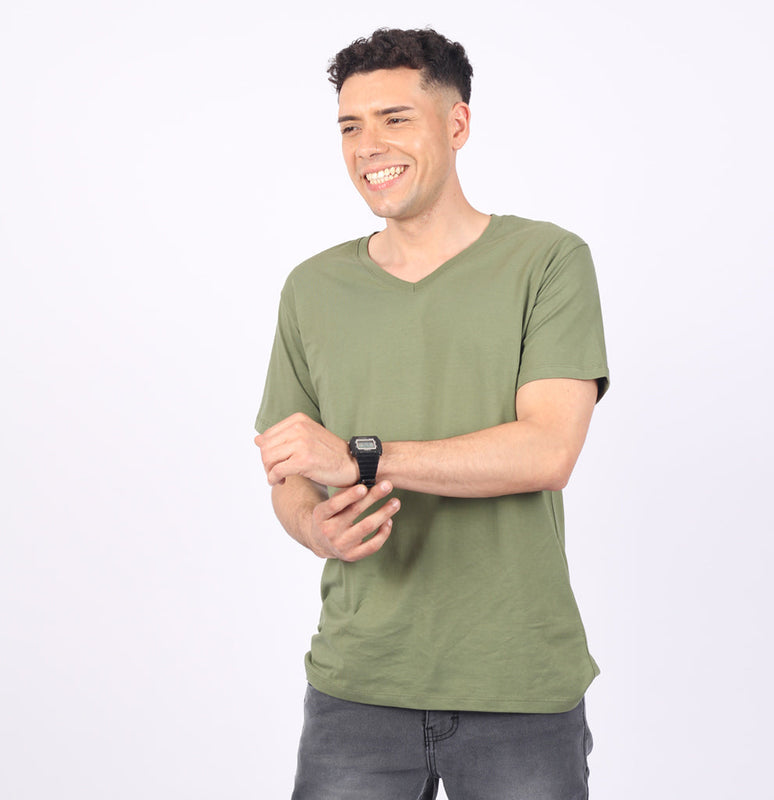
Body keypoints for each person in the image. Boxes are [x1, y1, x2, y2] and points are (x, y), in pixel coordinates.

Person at [254, 27, 609, 800]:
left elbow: (548, 449)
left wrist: (361, 459)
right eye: (350, 126)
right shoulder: (311, 289)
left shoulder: (547, 261)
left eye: (395, 119)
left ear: (457, 124)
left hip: (518, 683)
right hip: (357, 685)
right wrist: (313, 526)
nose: (367, 147)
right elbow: (287, 465)